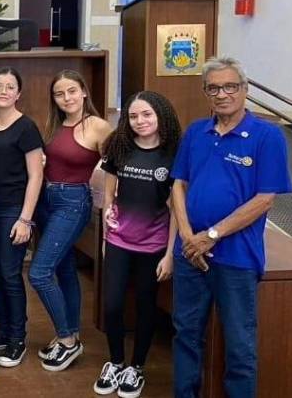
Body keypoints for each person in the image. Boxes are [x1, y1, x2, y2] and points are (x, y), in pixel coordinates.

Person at [171, 57, 292, 398]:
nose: (222, 94)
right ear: (205, 93)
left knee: (239, 344)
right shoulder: (196, 132)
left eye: (230, 87)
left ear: (245, 89)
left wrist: (211, 236)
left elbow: (264, 199)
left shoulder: (267, 136)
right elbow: (178, 184)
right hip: (190, 255)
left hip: (236, 258)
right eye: (213, 88)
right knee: (186, 335)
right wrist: (187, 237)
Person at [93, 91, 182, 398]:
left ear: (161, 116)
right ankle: (116, 362)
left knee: (146, 306)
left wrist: (170, 255)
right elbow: (108, 194)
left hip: (153, 245)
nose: (140, 121)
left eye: (146, 114)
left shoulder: (173, 155)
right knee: (112, 304)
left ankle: (136, 367)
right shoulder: (120, 148)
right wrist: (107, 232)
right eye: (133, 116)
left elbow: (176, 210)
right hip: (118, 240)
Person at [32, 69, 112, 372]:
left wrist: (109, 203)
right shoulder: (53, 124)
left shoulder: (98, 126)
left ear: (84, 92)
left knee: (39, 273)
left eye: (72, 91)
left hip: (73, 201)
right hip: (46, 199)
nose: (66, 98)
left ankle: (67, 340)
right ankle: (71, 332)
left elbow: (116, 165)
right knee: (64, 268)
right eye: (59, 93)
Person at [0, 67, 44, 371]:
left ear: (18, 94)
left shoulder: (26, 127)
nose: (4, 91)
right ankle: (1, 332)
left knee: (9, 273)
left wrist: (26, 219)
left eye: (10, 87)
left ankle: (17, 338)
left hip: (13, 211)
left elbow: (36, 175)